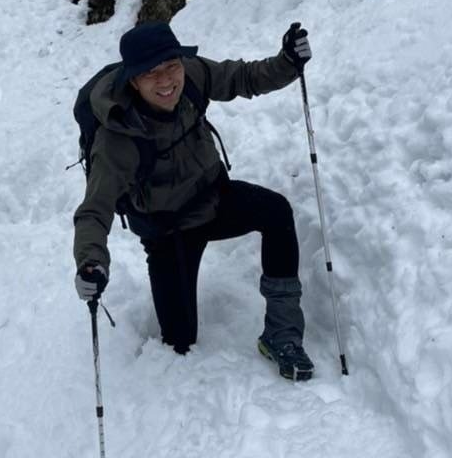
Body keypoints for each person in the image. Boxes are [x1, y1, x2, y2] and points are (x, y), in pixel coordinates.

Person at [73, 20, 315, 380]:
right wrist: (91, 263)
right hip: (168, 232)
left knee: (276, 212)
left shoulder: (192, 76)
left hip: (214, 199)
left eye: (171, 65)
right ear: (133, 80)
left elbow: (242, 78)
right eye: (151, 73)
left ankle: (282, 334)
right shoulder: (117, 138)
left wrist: (288, 62)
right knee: (179, 343)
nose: (167, 80)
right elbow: (95, 209)